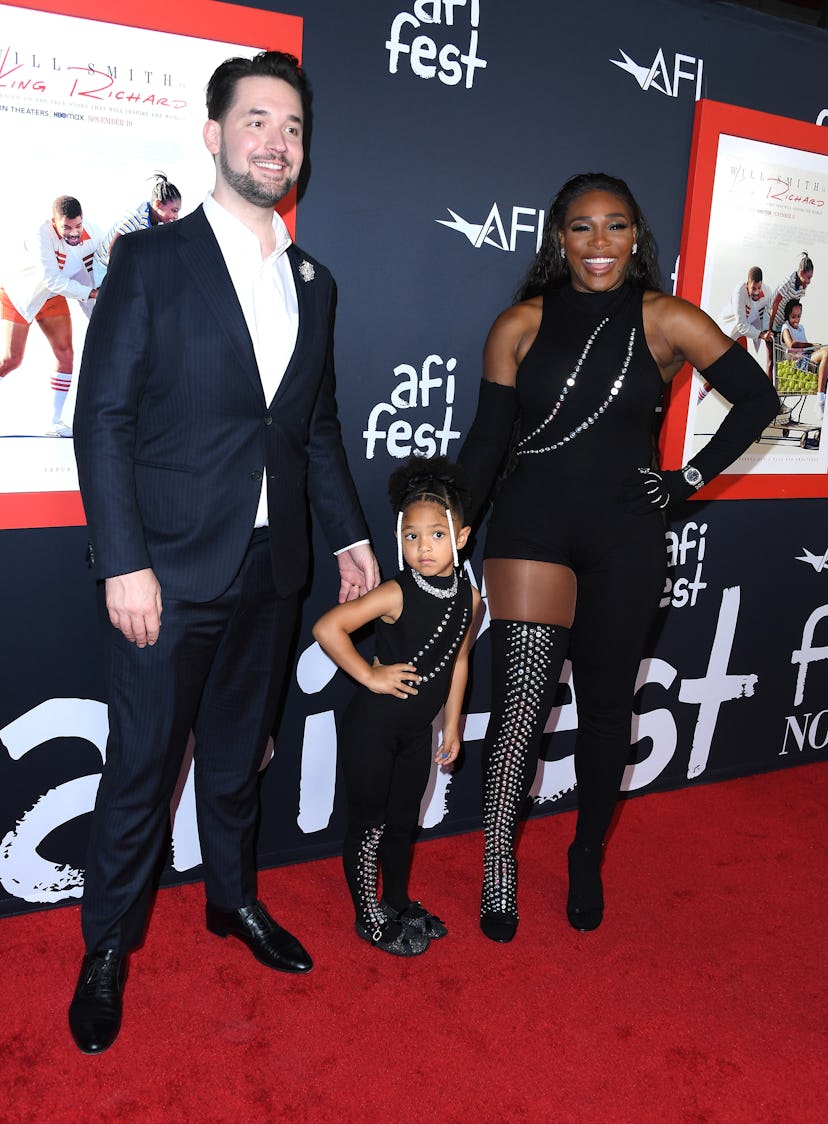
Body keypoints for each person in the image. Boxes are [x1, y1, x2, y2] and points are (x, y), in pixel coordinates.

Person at [68, 50, 379, 1055]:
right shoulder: (152, 259)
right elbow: (103, 417)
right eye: (255, 121)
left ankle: (232, 900)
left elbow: (314, 427)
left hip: (271, 569)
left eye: (290, 127)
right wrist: (123, 559)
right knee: (142, 767)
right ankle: (106, 946)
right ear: (214, 135)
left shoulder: (314, 281)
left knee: (240, 757)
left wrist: (352, 535)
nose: (274, 142)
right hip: (162, 570)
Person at [458, 171, 778, 943]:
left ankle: (585, 855)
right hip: (531, 530)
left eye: (615, 226)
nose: (599, 244)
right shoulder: (519, 325)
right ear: (557, 237)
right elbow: (487, 441)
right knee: (519, 708)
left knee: (606, 709)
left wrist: (688, 482)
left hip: (626, 539)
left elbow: (759, 400)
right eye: (581, 227)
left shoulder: (666, 319)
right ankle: (498, 862)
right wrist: (451, 524)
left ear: (637, 236)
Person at [313, 455, 480, 957]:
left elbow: (460, 661)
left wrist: (451, 726)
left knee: (404, 820)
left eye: (436, 534)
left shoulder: (470, 599)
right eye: (411, 536)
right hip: (372, 727)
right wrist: (368, 674)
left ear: (462, 537)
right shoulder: (396, 591)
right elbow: (328, 628)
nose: (423, 547)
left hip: (418, 732)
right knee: (369, 823)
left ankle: (399, 899)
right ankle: (368, 913)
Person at [0, 195, 101, 436]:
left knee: (65, 353)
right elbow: (53, 280)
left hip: (52, 296)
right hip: (20, 294)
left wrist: (100, 319)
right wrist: (93, 294)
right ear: (54, 222)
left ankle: (54, 423)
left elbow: (91, 278)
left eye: (77, 225)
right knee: (11, 360)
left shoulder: (93, 233)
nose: (73, 232)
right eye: (66, 227)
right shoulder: (39, 234)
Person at [92, 172, 182, 285]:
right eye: (174, 211)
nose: (176, 217)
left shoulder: (161, 222)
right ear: (158, 204)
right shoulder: (136, 217)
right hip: (105, 265)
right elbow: (113, 249)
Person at [779, 297, 828, 414]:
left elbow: (806, 349)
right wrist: (811, 344)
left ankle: (823, 400)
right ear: (788, 316)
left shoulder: (801, 328)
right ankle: (820, 398)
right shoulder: (785, 328)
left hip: (807, 357)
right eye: (793, 316)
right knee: (826, 352)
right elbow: (791, 344)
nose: (796, 320)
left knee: (825, 350)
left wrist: (815, 347)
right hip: (799, 363)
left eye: (799, 316)